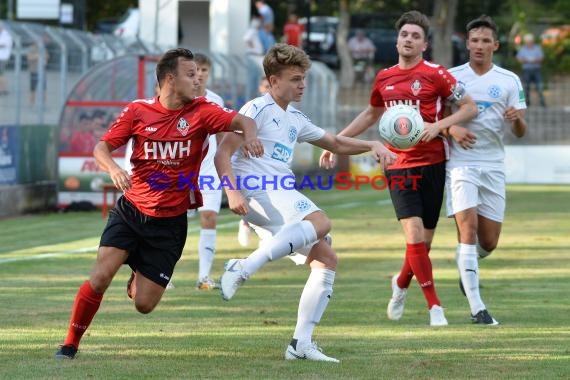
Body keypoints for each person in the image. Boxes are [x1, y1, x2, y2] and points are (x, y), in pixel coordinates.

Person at [54, 48, 263, 359]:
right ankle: (69, 345)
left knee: (144, 305)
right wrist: (113, 168)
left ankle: (137, 271)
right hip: (131, 210)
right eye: (190, 75)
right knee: (99, 277)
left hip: (170, 222)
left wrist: (248, 137)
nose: (198, 79)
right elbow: (102, 147)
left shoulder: (203, 111)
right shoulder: (138, 111)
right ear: (169, 79)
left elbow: (244, 120)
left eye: (199, 73)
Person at [215, 43, 397, 363]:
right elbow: (222, 154)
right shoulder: (255, 110)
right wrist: (231, 192)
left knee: (325, 258)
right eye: (295, 78)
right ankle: (242, 267)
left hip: (276, 195)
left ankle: (300, 343)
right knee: (321, 221)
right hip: (257, 189)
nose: (302, 84)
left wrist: (371, 143)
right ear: (273, 80)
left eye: (304, 78)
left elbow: (336, 142)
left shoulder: (295, 118)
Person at [320, 10, 478, 326]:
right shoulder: (384, 77)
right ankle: (436, 308)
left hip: (434, 163)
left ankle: (401, 283)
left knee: (423, 244)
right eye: (404, 34)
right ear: (397, 40)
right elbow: (370, 114)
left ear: (425, 44)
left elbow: (469, 107)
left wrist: (439, 126)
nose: (408, 39)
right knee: (414, 233)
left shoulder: (437, 74)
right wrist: (335, 141)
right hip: (398, 163)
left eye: (415, 36)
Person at [446, 15, 527, 325]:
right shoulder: (452, 78)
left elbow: (521, 131)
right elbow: (433, 120)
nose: (479, 46)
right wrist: (452, 131)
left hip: (493, 165)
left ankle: (467, 267)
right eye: (474, 41)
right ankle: (478, 309)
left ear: (496, 45)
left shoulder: (510, 80)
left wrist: (516, 119)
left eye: (485, 41)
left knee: (489, 242)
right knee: (467, 232)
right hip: (460, 163)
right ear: (467, 44)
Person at [191, 53, 227, 290]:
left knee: (209, 217)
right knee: (172, 222)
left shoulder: (216, 101)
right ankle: (163, 274)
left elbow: (223, 134)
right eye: (196, 70)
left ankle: (204, 276)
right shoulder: (177, 99)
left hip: (208, 171)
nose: (200, 74)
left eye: (204, 70)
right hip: (180, 171)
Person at [237, 76, 270, 248]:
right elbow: (236, 130)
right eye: (265, 86)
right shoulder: (253, 107)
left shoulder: (283, 111)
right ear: (260, 87)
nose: (267, 89)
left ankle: (262, 233)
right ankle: (247, 223)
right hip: (252, 163)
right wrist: (244, 141)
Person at [516, 33, 546, 107]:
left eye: (530, 41)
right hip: (527, 70)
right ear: (526, 42)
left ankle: (542, 103)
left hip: (536, 69)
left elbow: (541, 58)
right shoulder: (523, 49)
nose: (529, 42)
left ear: (532, 41)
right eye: (528, 41)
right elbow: (519, 58)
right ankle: (527, 103)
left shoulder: (537, 48)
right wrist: (525, 60)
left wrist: (535, 60)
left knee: (540, 87)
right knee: (526, 87)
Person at [0, 22, 13, 96]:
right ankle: (3, 89)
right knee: (1, 74)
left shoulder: (7, 35)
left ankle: (3, 89)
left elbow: (3, 44)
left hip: (3, 57)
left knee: (0, 73)